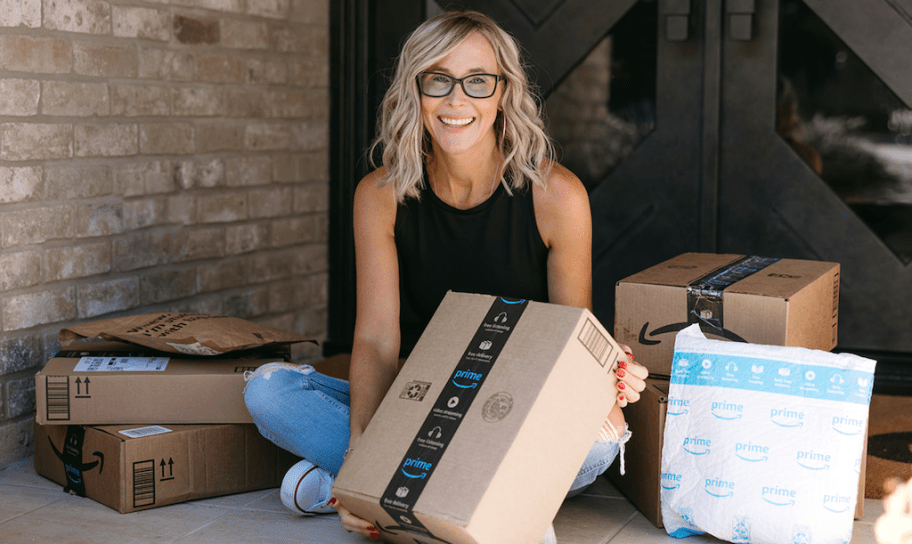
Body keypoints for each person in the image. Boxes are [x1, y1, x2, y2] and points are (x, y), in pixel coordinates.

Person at [243, 10, 648, 542]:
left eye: (478, 82)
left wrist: (609, 376)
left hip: (513, 416)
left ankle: (366, 489)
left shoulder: (557, 197)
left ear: (503, 92)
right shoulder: (380, 195)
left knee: (601, 440)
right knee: (268, 391)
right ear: (416, 90)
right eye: (439, 80)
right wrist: (360, 447)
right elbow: (376, 340)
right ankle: (448, 497)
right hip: (419, 407)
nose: (457, 101)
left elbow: (570, 343)